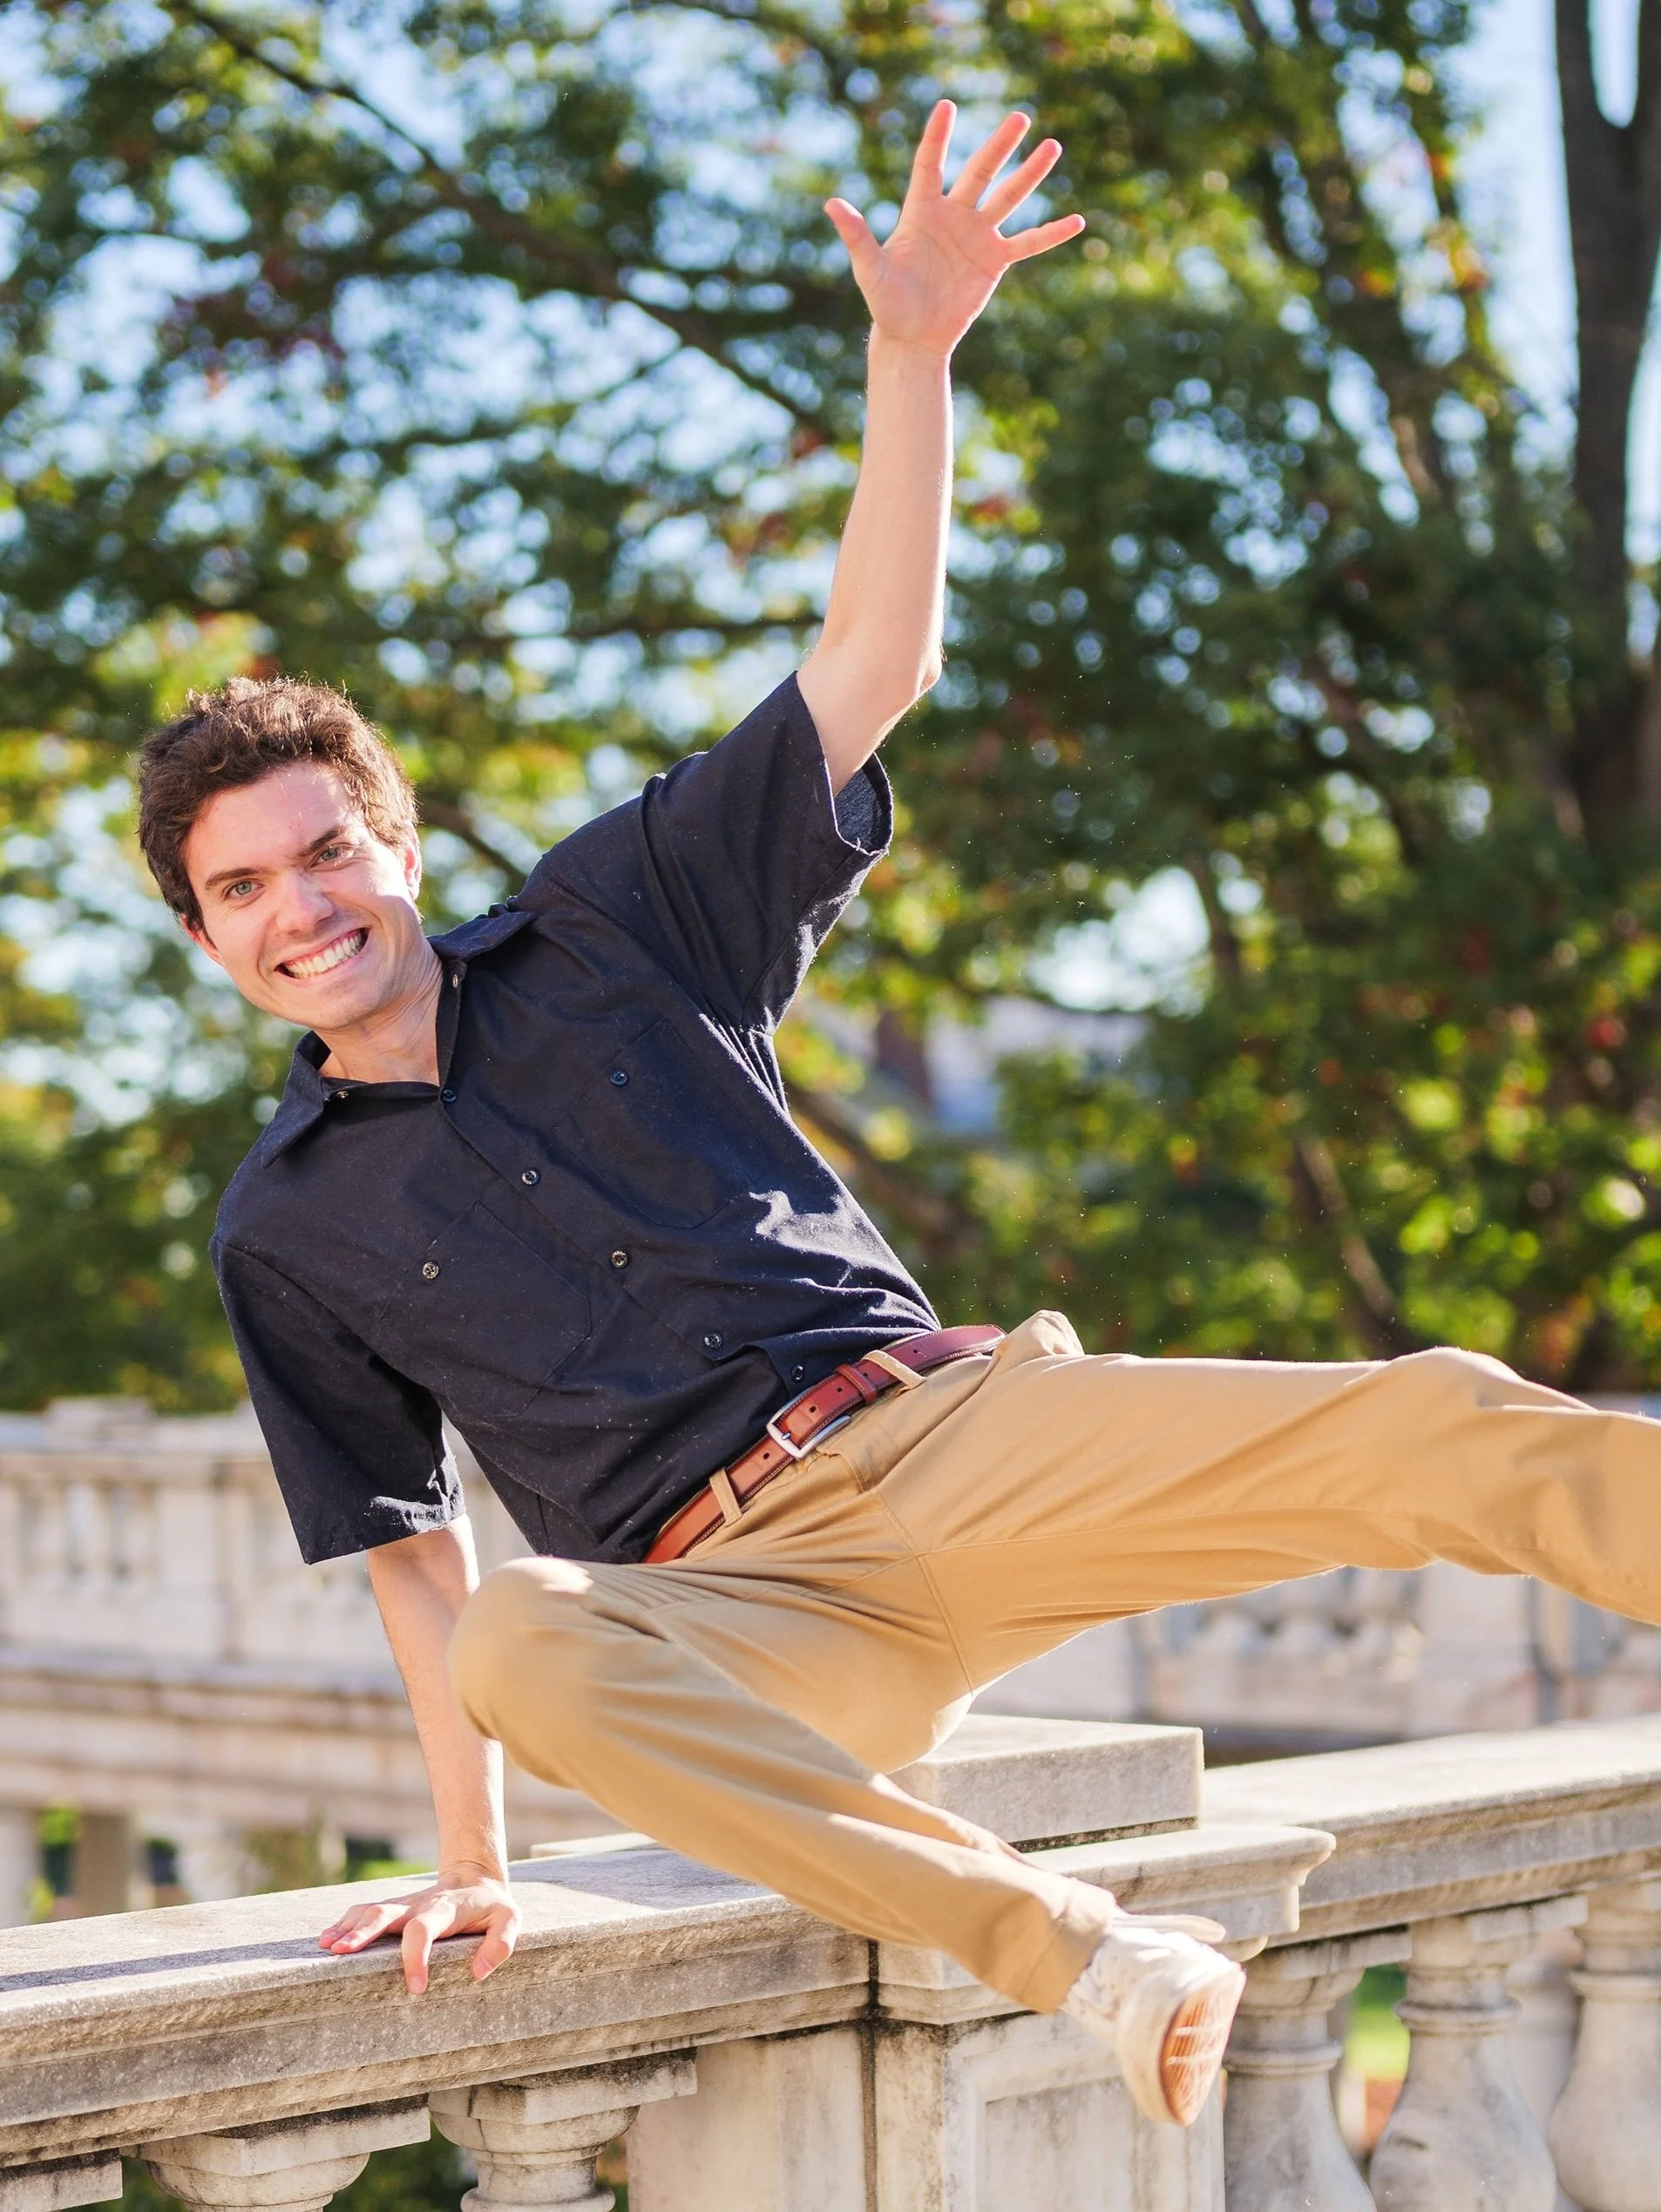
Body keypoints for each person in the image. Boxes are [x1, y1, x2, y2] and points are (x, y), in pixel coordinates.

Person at [134, 100, 1661, 2133]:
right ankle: (1082, 1958)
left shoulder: (610, 920)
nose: (299, 909)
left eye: (327, 852)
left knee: (1436, 1418)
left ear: (394, 845)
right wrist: (474, 1856)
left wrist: (911, 352)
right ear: (206, 936)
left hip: (952, 1442)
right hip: (748, 1615)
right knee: (521, 1638)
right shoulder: (281, 1225)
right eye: (242, 889)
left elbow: (873, 656)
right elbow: (411, 1558)